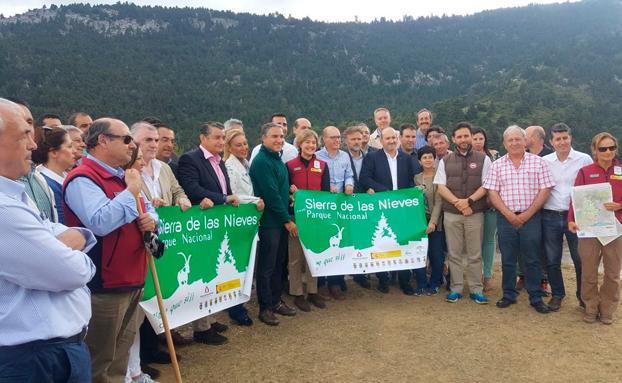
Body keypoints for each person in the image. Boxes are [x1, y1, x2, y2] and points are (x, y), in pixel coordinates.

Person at [0, 98, 96, 382]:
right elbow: (69, 271)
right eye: (24, 136)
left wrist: (57, 243)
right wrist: (74, 252)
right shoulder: (4, 209)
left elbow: (64, 233)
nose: (33, 145)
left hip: (51, 353)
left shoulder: (14, 196)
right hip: (31, 360)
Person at [63, 118, 159, 382]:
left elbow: (149, 211)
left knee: (120, 356)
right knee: (98, 360)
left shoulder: (123, 177)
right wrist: (131, 192)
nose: (132, 145)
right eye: (126, 139)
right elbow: (100, 223)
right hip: (104, 285)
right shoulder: (82, 178)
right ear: (103, 140)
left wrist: (153, 220)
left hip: (132, 278)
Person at [130, 122, 193, 379]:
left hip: (165, 242)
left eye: (156, 140)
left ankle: (156, 348)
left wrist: (181, 199)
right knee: (141, 302)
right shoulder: (130, 171)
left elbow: (177, 188)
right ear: (134, 142)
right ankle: (140, 360)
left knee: (160, 293)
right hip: (138, 244)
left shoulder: (164, 168)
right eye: (148, 140)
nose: (154, 145)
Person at [177, 121, 240, 342]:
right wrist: (223, 199)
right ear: (202, 138)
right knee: (203, 272)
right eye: (216, 138)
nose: (221, 142)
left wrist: (229, 199)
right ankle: (202, 329)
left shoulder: (219, 161)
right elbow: (193, 189)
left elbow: (226, 189)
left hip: (219, 224)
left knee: (215, 271)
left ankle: (211, 319)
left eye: (223, 138)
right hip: (201, 225)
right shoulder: (190, 159)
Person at [482, 125, 555, 314]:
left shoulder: (538, 163)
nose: (514, 143)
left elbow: (545, 189)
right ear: (505, 144)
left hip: (531, 218)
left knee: (532, 259)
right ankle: (508, 294)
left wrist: (527, 214)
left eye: (518, 139)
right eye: (510, 140)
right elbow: (492, 192)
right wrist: (508, 214)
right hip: (505, 219)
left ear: (525, 141)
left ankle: (535, 297)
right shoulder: (498, 164)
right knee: (508, 259)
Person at [568, 132, 622, 324]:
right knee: (589, 271)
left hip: (614, 229)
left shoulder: (621, 170)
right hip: (589, 229)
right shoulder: (585, 171)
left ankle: (607, 310)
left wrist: (620, 205)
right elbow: (575, 200)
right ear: (595, 150)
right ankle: (590, 307)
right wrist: (571, 220)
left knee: (613, 274)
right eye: (603, 148)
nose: (608, 152)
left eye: (611, 148)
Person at [434, 122, 491, 304]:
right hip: (452, 214)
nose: (463, 139)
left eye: (466, 136)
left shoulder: (484, 159)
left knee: (475, 253)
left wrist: (469, 201)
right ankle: (456, 288)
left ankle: (476, 289)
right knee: (454, 253)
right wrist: (459, 203)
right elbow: (441, 187)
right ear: (453, 139)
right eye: (459, 136)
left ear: (471, 136)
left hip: (475, 213)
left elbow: (486, 185)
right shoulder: (445, 161)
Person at [249, 122, 298, 326]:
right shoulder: (261, 161)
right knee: (267, 266)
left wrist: (289, 194)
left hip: (278, 220)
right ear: (263, 138)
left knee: (279, 263)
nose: (279, 140)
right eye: (274, 137)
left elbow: (279, 188)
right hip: (270, 222)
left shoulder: (276, 159)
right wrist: (287, 219)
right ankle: (265, 307)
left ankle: (276, 300)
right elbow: (270, 194)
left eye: (281, 137)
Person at [541, 123, 593, 311]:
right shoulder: (544, 161)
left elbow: (591, 187)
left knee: (580, 258)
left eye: (565, 138)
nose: (562, 142)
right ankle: (557, 294)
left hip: (576, 217)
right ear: (551, 142)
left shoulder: (584, 159)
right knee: (552, 259)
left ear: (570, 138)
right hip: (550, 215)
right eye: (558, 139)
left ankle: (583, 296)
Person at [360, 127, 417, 295]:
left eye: (394, 138)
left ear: (398, 139)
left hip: (402, 209)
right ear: (381, 141)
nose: (391, 141)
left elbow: (413, 182)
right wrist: (385, 192)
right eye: (388, 138)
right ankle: (383, 279)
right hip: (381, 208)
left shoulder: (407, 159)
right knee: (381, 243)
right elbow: (364, 178)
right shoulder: (372, 157)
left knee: (403, 242)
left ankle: (405, 281)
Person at [286, 129, 330, 311]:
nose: (311, 146)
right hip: (296, 217)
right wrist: (291, 193)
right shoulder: (289, 165)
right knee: (295, 257)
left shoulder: (322, 165)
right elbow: (285, 191)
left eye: (313, 142)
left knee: (314, 254)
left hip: (316, 218)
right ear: (300, 144)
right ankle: (297, 293)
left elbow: (326, 193)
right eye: (307, 142)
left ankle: (312, 291)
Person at [316, 126, 355, 299]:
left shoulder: (345, 156)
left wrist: (349, 185)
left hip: (341, 206)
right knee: (323, 243)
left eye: (339, 137)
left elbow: (350, 175)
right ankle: (320, 283)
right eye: (333, 137)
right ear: (324, 139)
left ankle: (335, 281)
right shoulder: (317, 156)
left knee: (340, 244)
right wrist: (326, 188)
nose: (337, 140)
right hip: (323, 207)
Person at [521, 124, 553, 294]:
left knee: (542, 246)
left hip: (546, 208)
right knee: (524, 244)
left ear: (534, 138)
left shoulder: (550, 156)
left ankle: (543, 280)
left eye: (525, 136)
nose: (523, 139)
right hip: (524, 209)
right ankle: (523, 276)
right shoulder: (522, 156)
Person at [415, 145, 445, 295]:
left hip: (436, 223)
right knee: (419, 254)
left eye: (430, 157)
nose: (427, 160)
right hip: (419, 223)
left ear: (435, 159)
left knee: (436, 255)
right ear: (419, 161)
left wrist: (433, 222)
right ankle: (421, 283)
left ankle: (434, 284)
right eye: (424, 157)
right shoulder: (416, 178)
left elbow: (440, 202)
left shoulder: (440, 177)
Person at [471, 127, 498, 292]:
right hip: (472, 205)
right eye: (475, 139)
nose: (478, 142)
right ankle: (475, 274)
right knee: (473, 243)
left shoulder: (494, 157)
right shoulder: (462, 159)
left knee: (488, 240)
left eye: (481, 138)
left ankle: (487, 275)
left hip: (490, 206)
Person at [32, 126, 76, 223]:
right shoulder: (44, 183)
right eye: (69, 146)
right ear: (54, 152)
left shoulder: (66, 176)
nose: (74, 151)